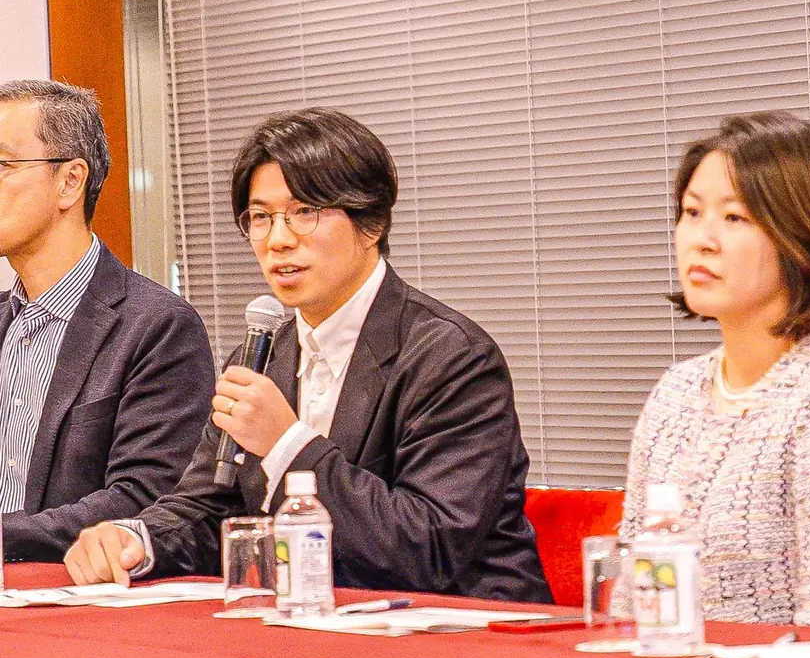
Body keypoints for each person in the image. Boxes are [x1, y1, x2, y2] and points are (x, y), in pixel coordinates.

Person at [64, 107, 552, 603]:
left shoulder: (451, 357)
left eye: (304, 212)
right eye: (261, 218)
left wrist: (285, 442)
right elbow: (212, 510)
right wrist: (134, 539)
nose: (278, 240)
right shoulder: (260, 357)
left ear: (371, 223)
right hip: (318, 621)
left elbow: (430, 546)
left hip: (468, 625)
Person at [620, 111, 810, 637]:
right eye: (691, 212)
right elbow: (632, 598)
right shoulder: (675, 393)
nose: (702, 239)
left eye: (734, 217)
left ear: (801, 238)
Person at [0, 79, 216, 561]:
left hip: (74, 594)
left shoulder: (157, 327)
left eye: (3, 165)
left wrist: (6, 538)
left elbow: (147, 499)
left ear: (70, 181)